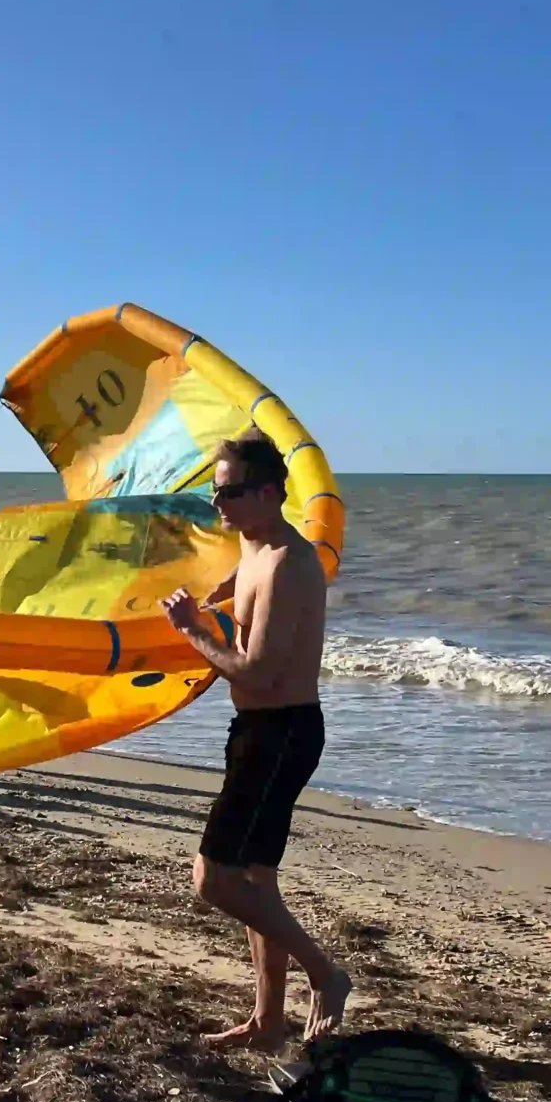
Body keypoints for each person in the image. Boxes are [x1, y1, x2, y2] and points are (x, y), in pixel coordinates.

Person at [160, 429, 350, 1051]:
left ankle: (325, 973)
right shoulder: (253, 544)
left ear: (270, 493)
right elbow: (245, 578)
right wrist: (217, 596)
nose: (219, 505)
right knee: (258, 880)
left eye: (230, 492)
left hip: (281, 732)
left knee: (213, 879)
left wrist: (193, 630)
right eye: (214, 493)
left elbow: (256, 670)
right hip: (260, 730)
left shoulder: (291, 565)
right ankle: (269, 1022)